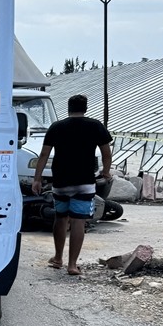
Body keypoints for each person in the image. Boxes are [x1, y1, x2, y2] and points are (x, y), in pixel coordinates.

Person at [30, 93, 113, 276]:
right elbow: (106, 153)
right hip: (85, 182)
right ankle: (72, 265)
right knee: (78, 221)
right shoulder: (95, 126)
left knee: (61, 218)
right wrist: (106, 172)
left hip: (61, 181)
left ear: (68, 108)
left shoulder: (57, 127)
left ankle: (58, 258)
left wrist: (37, 179)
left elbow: (43, 155)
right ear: (86, 108)